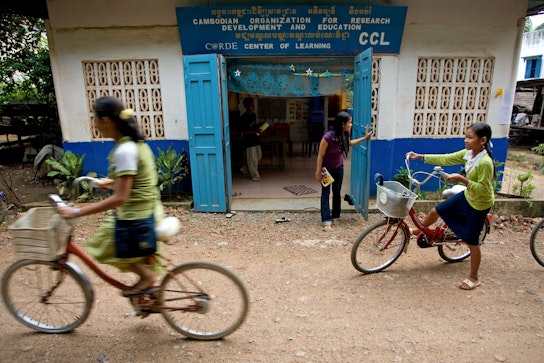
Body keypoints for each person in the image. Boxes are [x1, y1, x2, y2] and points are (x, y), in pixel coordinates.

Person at [58, 96, 165, 301]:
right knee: (122, 245)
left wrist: (77, 212)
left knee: (103, 247)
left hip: (136, 214)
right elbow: (133, 177)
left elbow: (120, 198)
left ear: (106, 121)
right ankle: (149, 296)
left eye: (95, 119)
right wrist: (108, 181)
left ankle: (147, 278)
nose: (95, 124)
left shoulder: (124, 150)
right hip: (148, 207)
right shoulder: (135, 143)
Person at [407, 122, 495, 290]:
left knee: (472, 242)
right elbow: (447, 158)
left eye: (470, 137)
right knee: (436, 211)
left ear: (483, 140)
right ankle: (420, 230)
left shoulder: (485, 162)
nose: (466, 140)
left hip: (480, 203)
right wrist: (421, 157)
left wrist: (461, 180)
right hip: (469, 196)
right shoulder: (469, 153)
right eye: (465, 136)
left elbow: (484, 189)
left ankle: (474, 277)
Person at [315, 111, 372, 232]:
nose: (351, 124)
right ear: (342, 124)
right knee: (325, 194)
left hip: (339, 168)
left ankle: (335, 216)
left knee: (337, 192)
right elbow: (320, 155)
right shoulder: (328, 137)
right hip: (327, 169)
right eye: (349, 122)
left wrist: (364, 138)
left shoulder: (345, 134)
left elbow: (349, 143)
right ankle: (326, 220)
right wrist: (318, 172)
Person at [239, 97, 262, 182]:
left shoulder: (254, 115)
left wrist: (260, 129)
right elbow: (243, 131)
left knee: (259, 156)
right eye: (252, 105)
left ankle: (245, 169)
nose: (254, 106)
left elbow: (255, 127)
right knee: (253, 160)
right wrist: (254, 131)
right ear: (247, 106)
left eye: (253, 104)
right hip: (249, 141)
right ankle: (255, 176)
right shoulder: (243, 117)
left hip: (256, 139)